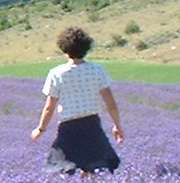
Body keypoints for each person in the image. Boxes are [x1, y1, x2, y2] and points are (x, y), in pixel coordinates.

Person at [30, 27, 125, 175]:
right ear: (86, 48)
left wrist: (40, 129)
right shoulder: (97, 70)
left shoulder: (57, 74)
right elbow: (111, 104)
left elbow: (49, 107)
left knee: (63, 167)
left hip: (69, 127)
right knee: (94, 166)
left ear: (64, 50)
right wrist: (117, 126)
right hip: (92, 125)